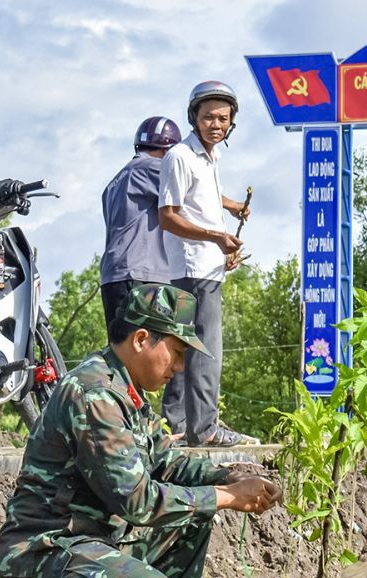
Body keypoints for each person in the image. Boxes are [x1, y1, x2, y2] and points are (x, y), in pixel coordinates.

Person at [0, 284, 281, 578]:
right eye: (177, 353)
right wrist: (227, 495)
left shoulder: (126, 392)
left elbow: (167, 463)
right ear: (142, 338)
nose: (178, 368)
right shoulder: (94, 395)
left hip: (90, 545)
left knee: (193, 515)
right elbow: (138, 501)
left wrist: (231, 474)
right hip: (42, 553)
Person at [158, 80, 250, 447]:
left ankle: (181, 427)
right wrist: (216, 238)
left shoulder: (209, 157)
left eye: (223, 118)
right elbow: (168, 215)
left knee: (183, 351)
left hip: (203, 266)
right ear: (193, 118)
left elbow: (203, 199)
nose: (216, 124)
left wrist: (230, 210)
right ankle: (206, 429)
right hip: (192, 270)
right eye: (208, 116)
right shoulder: (180, 156)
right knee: (206, 351)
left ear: (231, 123)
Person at [100, 116, 182, 335]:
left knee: (124, 357)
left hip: (113, 278)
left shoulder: (114, 182)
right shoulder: (153, 167)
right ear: (168, 152)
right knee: (154, 354)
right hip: (145, 277)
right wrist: (231, 205)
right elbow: (192, 192)